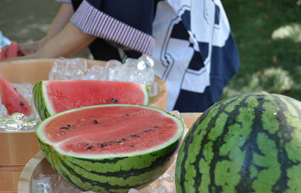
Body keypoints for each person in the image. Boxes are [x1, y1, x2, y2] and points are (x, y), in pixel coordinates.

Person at [13, 0, 240, 113]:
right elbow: (82, 3)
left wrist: (36, 60)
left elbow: (94, 21)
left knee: (177, 130)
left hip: (179, 41)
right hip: (157, 39)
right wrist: (45, 44)